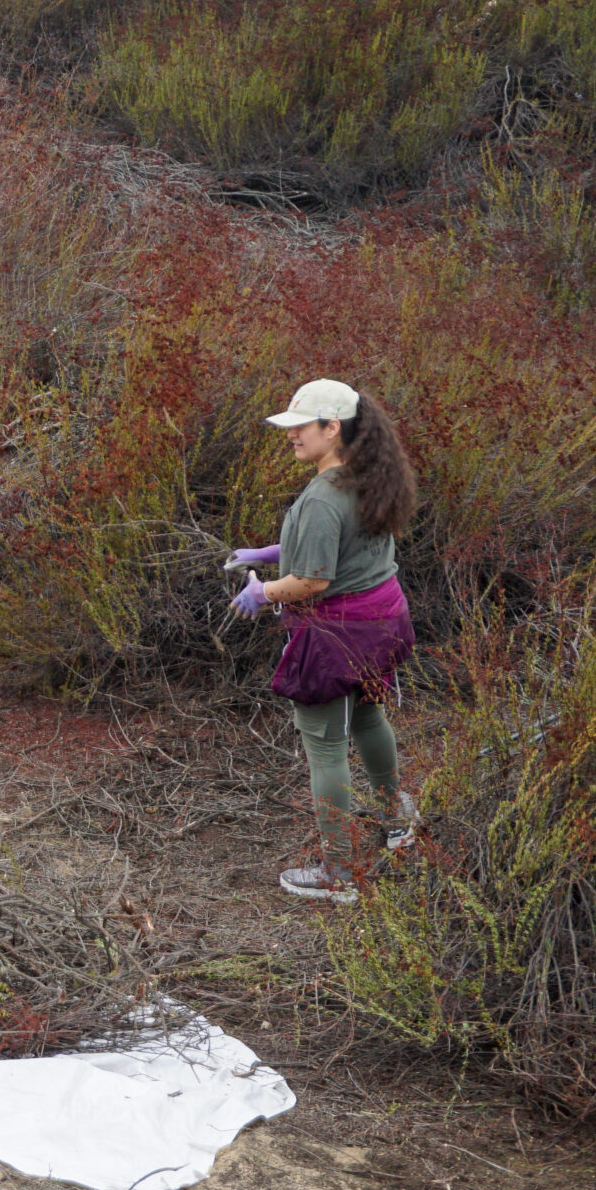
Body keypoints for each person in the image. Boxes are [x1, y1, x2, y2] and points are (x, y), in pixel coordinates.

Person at [224, 378, 420, 903]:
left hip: (337, 634)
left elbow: (312, 581)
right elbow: (348, 546)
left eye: (300, 426)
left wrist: (262, 591)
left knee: (326, 744)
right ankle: (396, 819)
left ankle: (340, 873)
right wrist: (271, 550)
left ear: (332, 427)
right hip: (381, 623)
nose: (290, 436)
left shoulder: (321, 497)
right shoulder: (370, 476)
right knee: (369, 717)